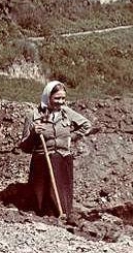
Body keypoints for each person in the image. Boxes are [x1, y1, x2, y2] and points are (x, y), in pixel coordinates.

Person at [18, 81, 92, 220]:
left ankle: (62, 217)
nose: (61, 102)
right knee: (43, 201)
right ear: (47, 97)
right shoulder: (34, 116)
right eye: (57, 98)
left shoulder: (66, 113)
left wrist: (72, 137)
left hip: (63, 161)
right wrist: (33, 133)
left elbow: (86, 125)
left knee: (62, 195)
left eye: (63, 98)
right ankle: (44, 220)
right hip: (43, 163)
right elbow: (24, 147)